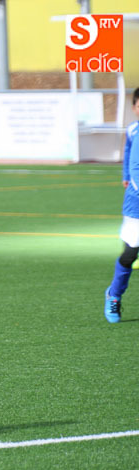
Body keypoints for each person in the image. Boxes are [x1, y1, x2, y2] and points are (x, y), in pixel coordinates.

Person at [104, 87, 139, 322]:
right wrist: (127, 175)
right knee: (130, 254)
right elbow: (134, 163)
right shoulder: (135, 130)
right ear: (134, 108)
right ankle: (114, 295)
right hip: (136, 204)